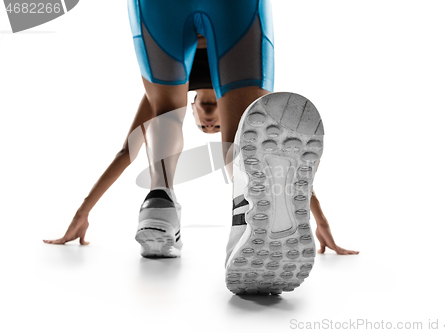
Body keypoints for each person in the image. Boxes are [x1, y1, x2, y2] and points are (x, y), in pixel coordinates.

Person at [45, 0, 358, 295]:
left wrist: (83, 212)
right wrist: (321, 222)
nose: (210, 121)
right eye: (212, 124)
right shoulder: (231, 110)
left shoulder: (170, 98)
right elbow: (280, 168)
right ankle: (241, 206)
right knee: (241, 142)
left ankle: (161, 199)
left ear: (193, 106)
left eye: (207, 123)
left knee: (169, 113)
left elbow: (127, 153)